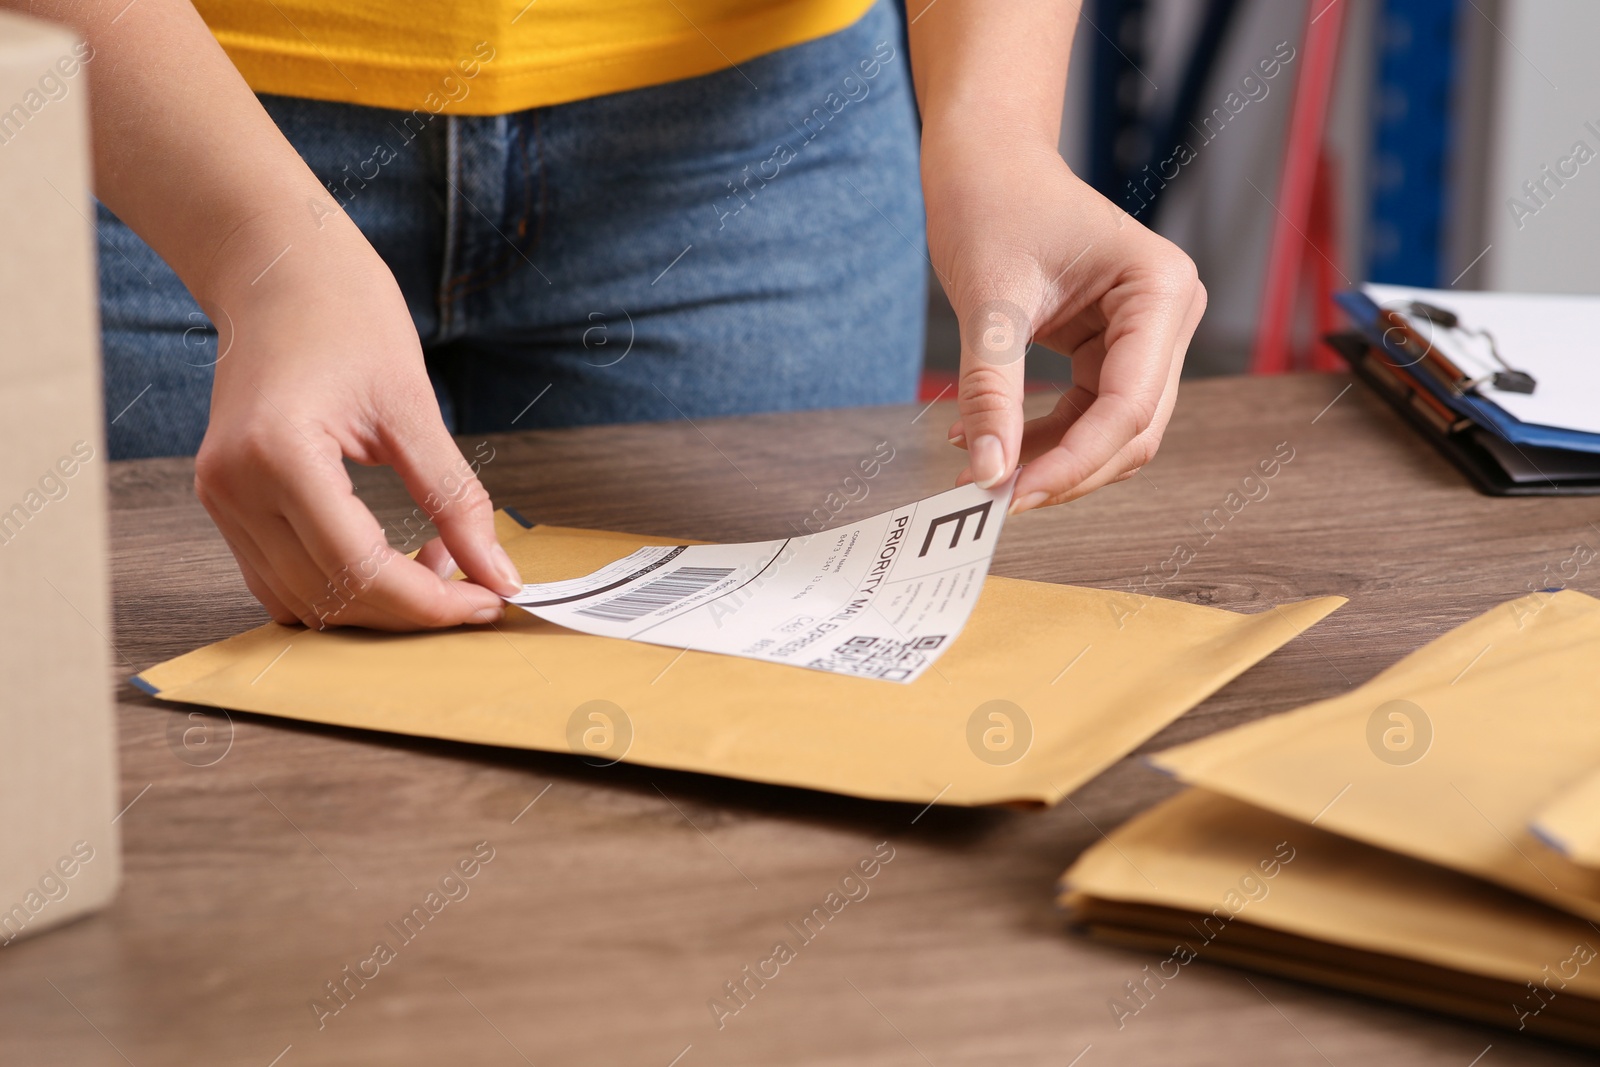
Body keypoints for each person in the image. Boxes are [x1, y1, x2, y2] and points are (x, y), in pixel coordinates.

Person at [15, 0, 1204, 631]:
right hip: (152, 120)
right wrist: (251, 248)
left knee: (738, 798)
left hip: (757, 146)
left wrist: (995, 127)